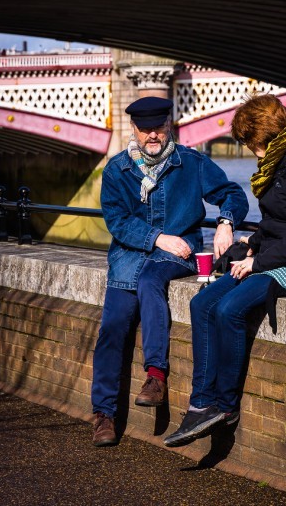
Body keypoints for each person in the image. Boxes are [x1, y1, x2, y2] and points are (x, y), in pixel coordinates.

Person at [164, 93, 286, 447]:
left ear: (263, 136)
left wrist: (258, 262)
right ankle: (201, 404)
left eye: (249, 141)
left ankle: (225, 406)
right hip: (277, 256)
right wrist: (253, 242)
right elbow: (280, 220)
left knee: (229, 310)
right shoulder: (281, 159)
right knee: (202, 304)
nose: (248, 149)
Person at [92, 96, 249, 447]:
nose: (152, 136)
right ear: (134, 129)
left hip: (178, 256)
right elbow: (117, 221)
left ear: (168, 126)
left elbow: (232, 193)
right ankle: (103, 414)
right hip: (128, 258)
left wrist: (225, 222)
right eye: (145, 129)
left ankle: (156, 376)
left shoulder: (191, 162)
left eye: (158, 128)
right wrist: (157, 237)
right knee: (113, 327)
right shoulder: (117, 170)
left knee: (151, 281)